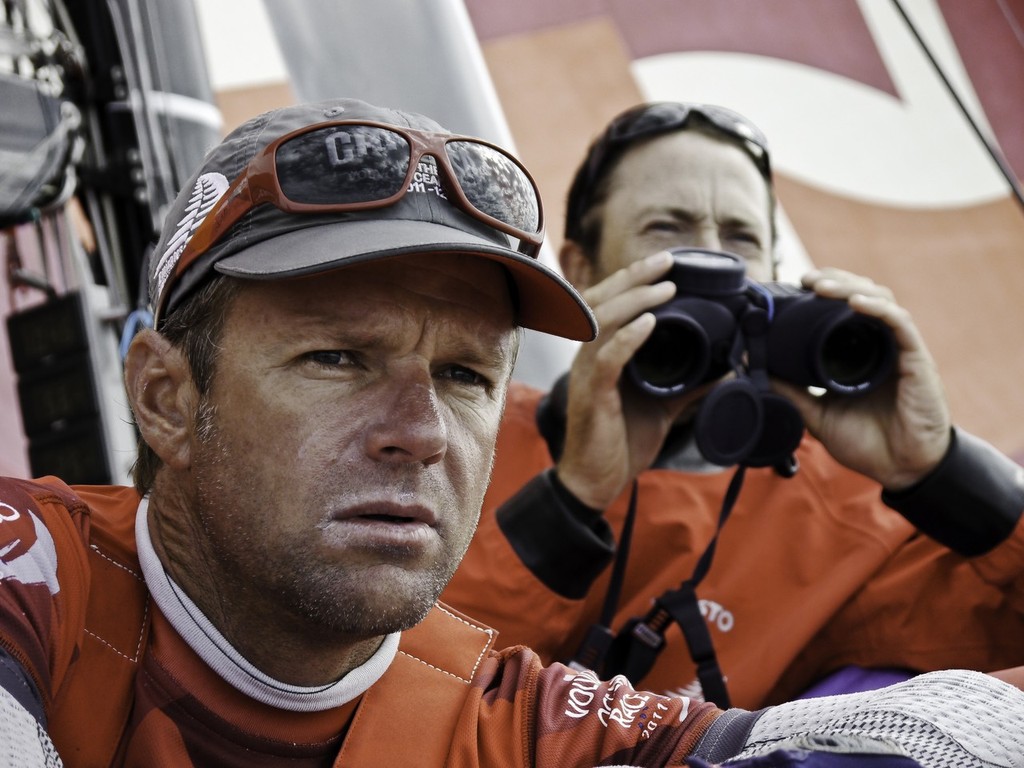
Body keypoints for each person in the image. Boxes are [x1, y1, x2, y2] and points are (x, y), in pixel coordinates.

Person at [1, 97, 1022, 768]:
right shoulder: (35, 570)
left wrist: (942, 471)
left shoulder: (518, 714)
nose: (420, 432)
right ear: (167, 398)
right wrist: (571, 497)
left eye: (462, 375)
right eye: (338, 360)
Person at [442, 101, 1024, 709]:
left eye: (742, 239)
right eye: (668, 228)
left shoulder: (842, 507)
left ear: (776, 273)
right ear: (583, 272)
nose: (718, 262)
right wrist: (571, 497)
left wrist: (939, 470)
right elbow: (386, 685)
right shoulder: (460, 431)